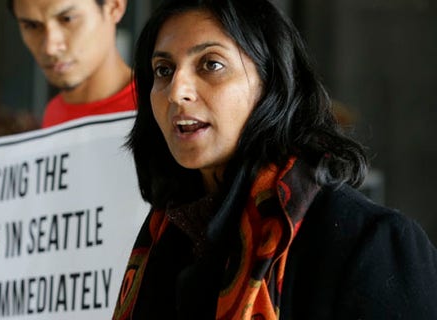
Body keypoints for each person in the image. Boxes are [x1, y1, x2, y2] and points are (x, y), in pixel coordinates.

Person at [113, 0, 437, 319]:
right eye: (163, 70)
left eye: (211, 64)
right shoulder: (168, 238)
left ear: (271, 83)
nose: (176, 91)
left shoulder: (369, 243)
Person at [8, 0, 136, 128]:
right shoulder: (53, 112)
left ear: (114, 7)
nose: (50, 48)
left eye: (67, 19)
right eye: (32, 26)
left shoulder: (151, 110)